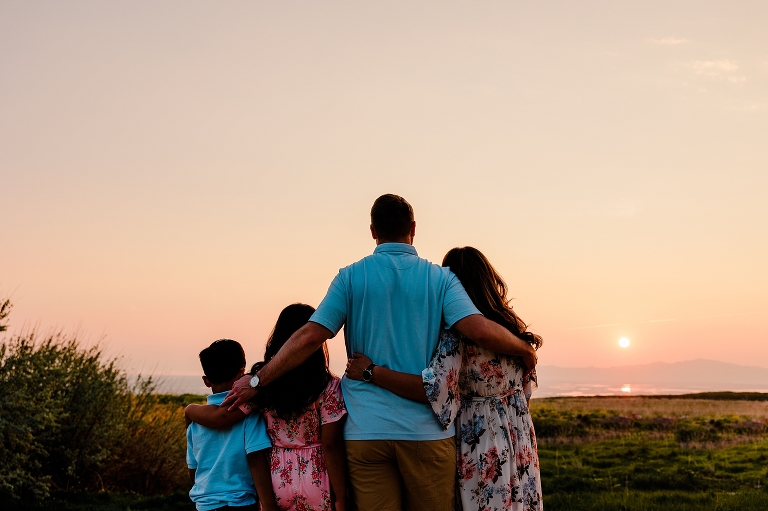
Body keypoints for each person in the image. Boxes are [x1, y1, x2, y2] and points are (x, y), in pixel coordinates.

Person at [220, 194, 538, 511]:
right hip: (425, 434)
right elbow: (479, 329)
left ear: (372, 231)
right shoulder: (441, 279)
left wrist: (256, 382)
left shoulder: (350, 277)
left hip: (365, 433)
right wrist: (525, 349)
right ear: (413, 228)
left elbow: (309, 336)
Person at [346, 247, 543, 511]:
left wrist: (372, 371)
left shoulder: (456, 337)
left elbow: (433, 390)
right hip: (519, 439)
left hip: (483, 443)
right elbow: (525, 395)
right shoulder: (511, 333)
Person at [186, 339, 278, 511]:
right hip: (240, 503)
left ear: (206, 381)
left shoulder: (196, 422)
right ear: (242, 373)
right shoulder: (248, 414)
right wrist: (269, 505)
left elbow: (193, 469)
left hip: (205, 505)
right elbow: (256, 459)